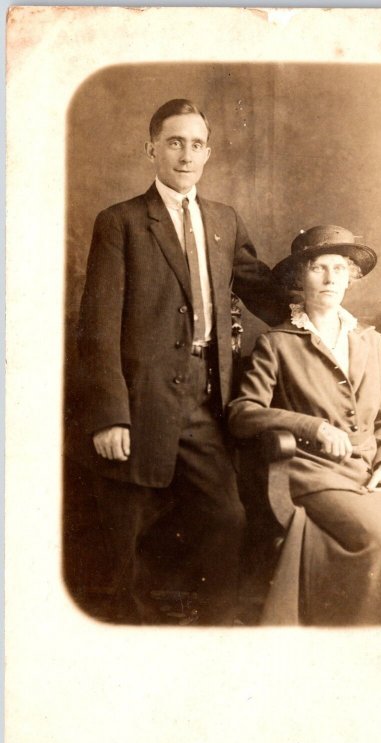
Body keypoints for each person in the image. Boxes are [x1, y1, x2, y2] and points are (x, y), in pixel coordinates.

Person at [77, 98, 286, 625]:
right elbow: (97, 328)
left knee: (227, 517)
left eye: (196, 144)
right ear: (151, 150)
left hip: (206, 394)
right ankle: (135, 644)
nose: (185, 154)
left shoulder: (222, 220)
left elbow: (263, 290)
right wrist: (111, 415)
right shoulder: (120, 222)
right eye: (174, 142)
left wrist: (321, 303)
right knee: (130, 533)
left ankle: (211, 636)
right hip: (140, 397)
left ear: (208, 153)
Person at [228, 225, 381, 626]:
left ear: (351, 277)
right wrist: (312, 427)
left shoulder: (372, 342)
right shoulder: (277, 343)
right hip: (315, 475)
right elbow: (243, 413)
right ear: (300, 278)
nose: (331, 278)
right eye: (319, 268)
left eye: (340, 268)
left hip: (375, 471)